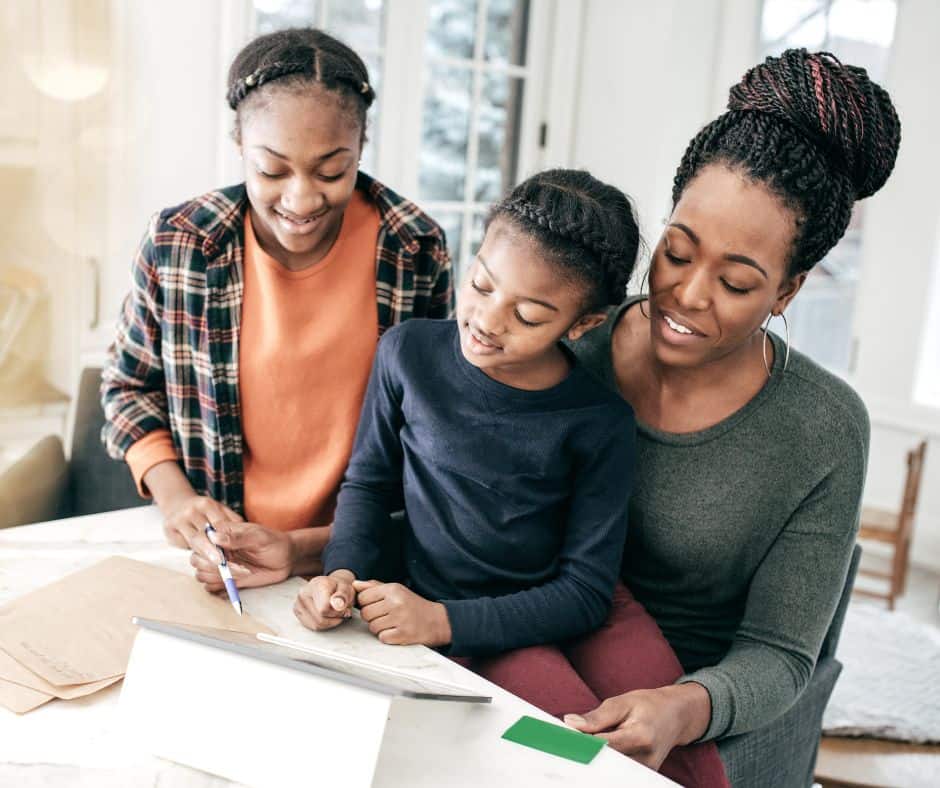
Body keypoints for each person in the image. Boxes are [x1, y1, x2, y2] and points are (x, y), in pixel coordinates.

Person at [294, 169, 729, 786]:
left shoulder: (598, 422)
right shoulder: (407, 355)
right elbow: (367, 484)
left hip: (581, 609)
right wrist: (343, 573)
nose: (486, 321)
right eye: (481, 284)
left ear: (581, 326)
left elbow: (586, 592)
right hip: (482, 624)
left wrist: (442, 621)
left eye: (526, 315)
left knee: (687, 761)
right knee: (580, 761)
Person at [563, 48, 901, 777]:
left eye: (739, 282)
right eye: (677, 252)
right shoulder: (572, 345)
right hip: (531, 661)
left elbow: (781, 654)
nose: (687, 295)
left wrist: (682, 706)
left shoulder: (823, 427)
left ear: (788, 291)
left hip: (688, 713)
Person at [100, 28, 452, 586]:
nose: (302, 199)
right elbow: (127, 389)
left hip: (356, 564)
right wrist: (177, 500)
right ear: (239, 139)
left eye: (333, 171)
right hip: (216, 559)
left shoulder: (414, 248)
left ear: (361, 145)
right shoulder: (180, 243)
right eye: (272, 170)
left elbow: (436, 433)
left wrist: (312, 549)